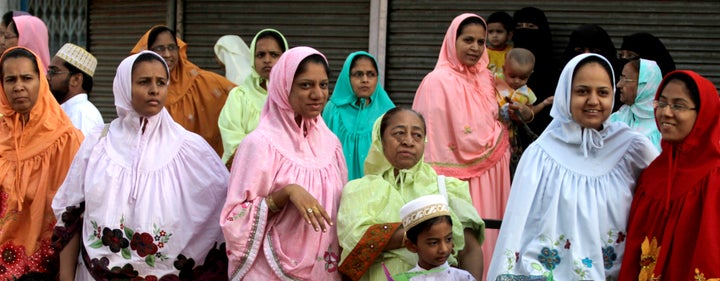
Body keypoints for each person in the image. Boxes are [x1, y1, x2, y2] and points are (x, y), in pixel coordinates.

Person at [52, 51, 229, 280]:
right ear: (125, 86)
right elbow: (70, 216)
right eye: (144, 82)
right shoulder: (97, 144)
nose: (154, 89)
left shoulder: (192, 150)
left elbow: (228, 211)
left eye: (161, 82)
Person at [487, 53, 659, 281]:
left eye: (603, 92)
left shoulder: (632, 149)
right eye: (582, 91)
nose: (593, 100)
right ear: (565, 94)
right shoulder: (541, 155)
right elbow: (516, 226)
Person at [412, 14, 525, 278]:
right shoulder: (436, 81)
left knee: (492, 234)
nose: (475, 47)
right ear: (453, 41)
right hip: (455, 180)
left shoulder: (487, 78)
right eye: (468, 40)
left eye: (480, 42)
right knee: (463, 240)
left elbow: (496, 116)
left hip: (493, 171)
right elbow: (433, 138)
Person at [220, 46, 347, 280]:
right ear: (283, 86)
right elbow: (233, 217)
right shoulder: (260, 144)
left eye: (323, 84)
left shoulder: (331, 144)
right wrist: (287, 193)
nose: (317, 94)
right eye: (305, 85)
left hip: (323, 270)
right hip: (268, 270)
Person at [337, 107, 484, 281]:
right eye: (399, 133)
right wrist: (425, 231)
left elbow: (469, 250)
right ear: (379, 139)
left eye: (417, 135)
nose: (408, 141)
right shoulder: (358, 190)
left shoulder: (446, 187)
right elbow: (354, 246)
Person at [618, 71, 720, 281]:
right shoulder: (651, 173)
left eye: (678, 105)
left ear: (703, 113)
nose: (665, 112)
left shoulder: (715, 176)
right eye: (661, 103)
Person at [0, 47, 83, 279]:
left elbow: (74, 213)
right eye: (10, 79)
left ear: (41, 81)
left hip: (47, 268)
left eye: (27, 78)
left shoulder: (67, 140)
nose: (18, 87)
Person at [131, 25, 235, 156]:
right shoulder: (134, 82)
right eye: (159, 48)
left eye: (172, 48)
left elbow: (238, 96)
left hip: (191, 161)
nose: (167, 54)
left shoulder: (198, 80)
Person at [218, 28, 288, 165]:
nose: (267, 60)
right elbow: (232, 138)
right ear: (252, 58)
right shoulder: (239, 96)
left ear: (285, 58)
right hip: (247, 170)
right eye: (260, 55)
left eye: (274, 55)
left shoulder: (292, 97)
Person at [322, 51, 395, 181]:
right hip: (337, 185)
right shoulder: (333, 109)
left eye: (371, 74)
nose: (365, 80)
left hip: (376, 189)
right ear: (347, 77)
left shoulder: (388, 113)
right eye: (358, 74)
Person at [495, 48, 553, 177]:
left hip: (511, 136)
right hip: (492, 132)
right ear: (504, 69)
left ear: (530, 74)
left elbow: (530, 112)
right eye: (512, 76)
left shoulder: (527, 93)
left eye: (523, 78)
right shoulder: (495, 81)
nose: (516, 81)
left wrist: (543, 104)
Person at [391, 195, 476, 281]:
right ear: (411, 246)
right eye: (434, 243)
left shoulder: (462, 278)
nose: (444, 249)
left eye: (448, 239)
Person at [512, 7, 557, 135]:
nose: (524, 31)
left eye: (531, 26)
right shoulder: (504, 63)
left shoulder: (552, 71)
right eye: (519, 26)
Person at [48, 43, 104, 135]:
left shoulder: (82, 115)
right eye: (49, 71)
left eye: (54, 71)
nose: (47, 77)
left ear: (76, 79)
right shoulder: (69, 110)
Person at [610, 59, 663, 151]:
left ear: (644, 86)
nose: (618, 85)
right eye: (620, 78)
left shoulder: (664, 129)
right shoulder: (614, 120)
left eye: (625, 79)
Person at [486, 11, 514, 76]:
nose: (494, 35)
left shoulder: (512, 52)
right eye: (490, 32)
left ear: (509, 35)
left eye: (499, 32)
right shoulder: (483, 53)